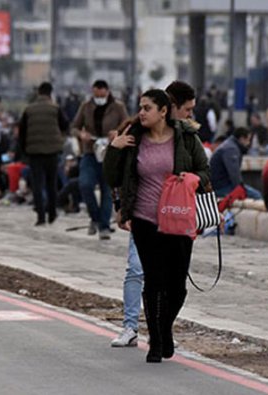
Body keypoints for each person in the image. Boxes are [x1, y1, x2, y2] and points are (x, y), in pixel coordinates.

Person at [103, 89, 210, 363]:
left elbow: (205, 171)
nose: (141, 112)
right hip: (144, 220)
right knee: (153, 280)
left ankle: (164, 328)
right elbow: (112, 176)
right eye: (140, 107)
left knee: (177, 286)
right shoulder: (133, 138)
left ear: (163, 111)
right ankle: (156, 341)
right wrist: (113, 150)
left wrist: (190, 178)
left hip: (178, 219)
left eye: (148, 108)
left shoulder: (186, 138)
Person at [72, 80, 129, 240]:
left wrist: (116, 133)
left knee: (107, 190)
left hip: (110, 152)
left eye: (101, 95)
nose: (98, 98)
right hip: (90, 151)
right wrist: (81, 134)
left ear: (107, 91)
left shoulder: (118, 107)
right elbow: (74, 126)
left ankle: (103, 226)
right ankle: (95, 218)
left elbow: (127, 126)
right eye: (96, 94)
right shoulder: (86, 106)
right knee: (85, 184)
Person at [19, 82, 68, 226]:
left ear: (38, 93)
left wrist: (24, 151)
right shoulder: (56, 108)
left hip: (34, 153)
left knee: (37, 185)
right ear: (50, 93)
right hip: (52, 152)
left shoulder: (29, 109)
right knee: (51, 184)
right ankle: (52, 213)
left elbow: (22, 133)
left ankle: (41, 216)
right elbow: (65, 125)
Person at [210, 127, 261, 199]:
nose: (249, 143)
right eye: (248, 140)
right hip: (221, 187)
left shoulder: (229, 145)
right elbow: (234, 174)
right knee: (257, 196)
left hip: (219, 185)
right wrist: (240, 190)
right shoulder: (231, 149)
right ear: (242, 138)